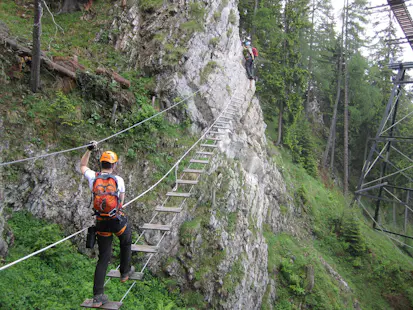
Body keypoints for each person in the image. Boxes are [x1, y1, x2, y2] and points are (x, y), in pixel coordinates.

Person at [80, 142, 134, 308]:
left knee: (103, 257)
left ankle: (97, 296)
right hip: (116, 222)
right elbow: (121, 202)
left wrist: (89, 150)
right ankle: (125, 272)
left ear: (101, 164)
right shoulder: (118, 180)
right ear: (114, 165)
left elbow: (82, 165)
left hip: (101, 223)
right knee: (126, 240)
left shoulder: (93, 177)